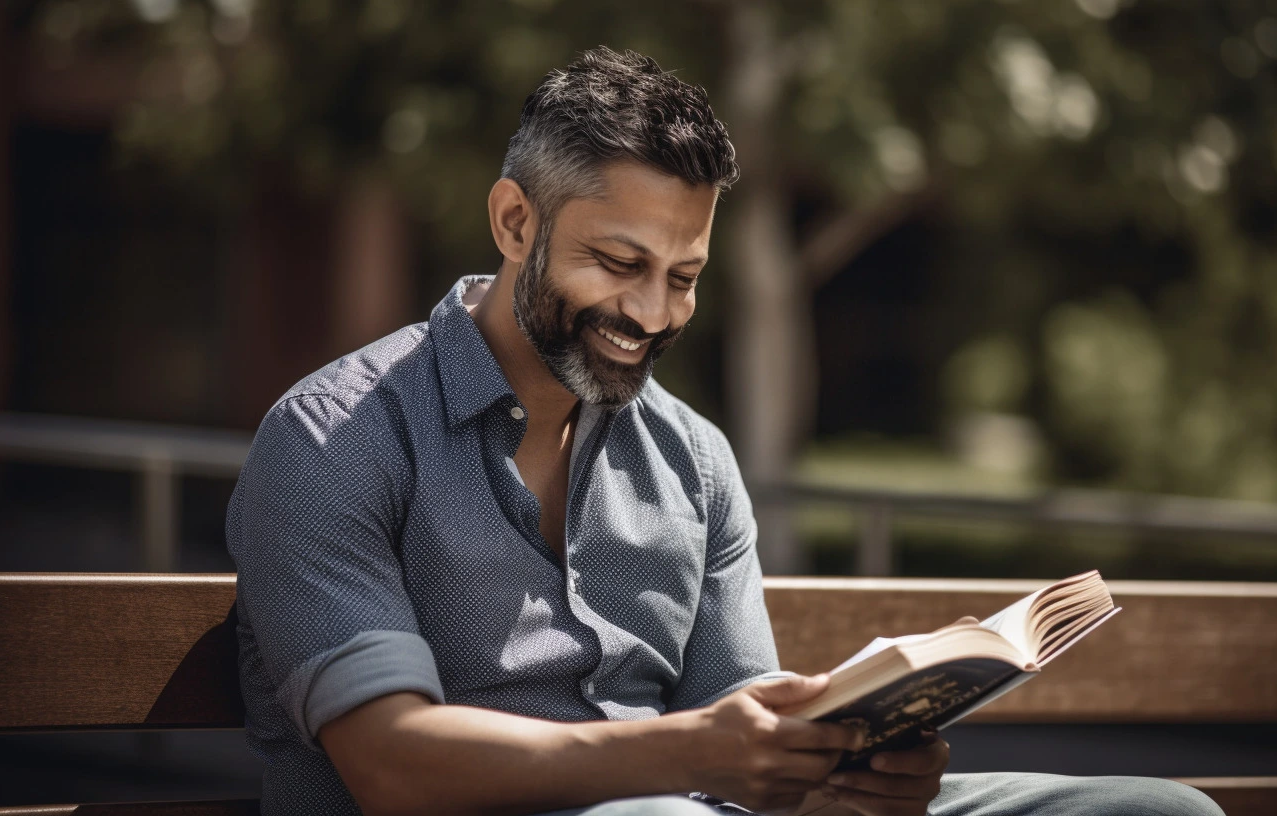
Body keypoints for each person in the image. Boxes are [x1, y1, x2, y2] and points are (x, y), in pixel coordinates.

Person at [227, 46, 1224, 816]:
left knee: (1153, 809)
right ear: (514, 222)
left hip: (683, 807)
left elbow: (739, 734)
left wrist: (833, 773)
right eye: (619, 263)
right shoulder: (333, 439)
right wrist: (688, 755)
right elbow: (391, 769)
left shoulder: (691, 461)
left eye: (686, 275)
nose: (654, 314)